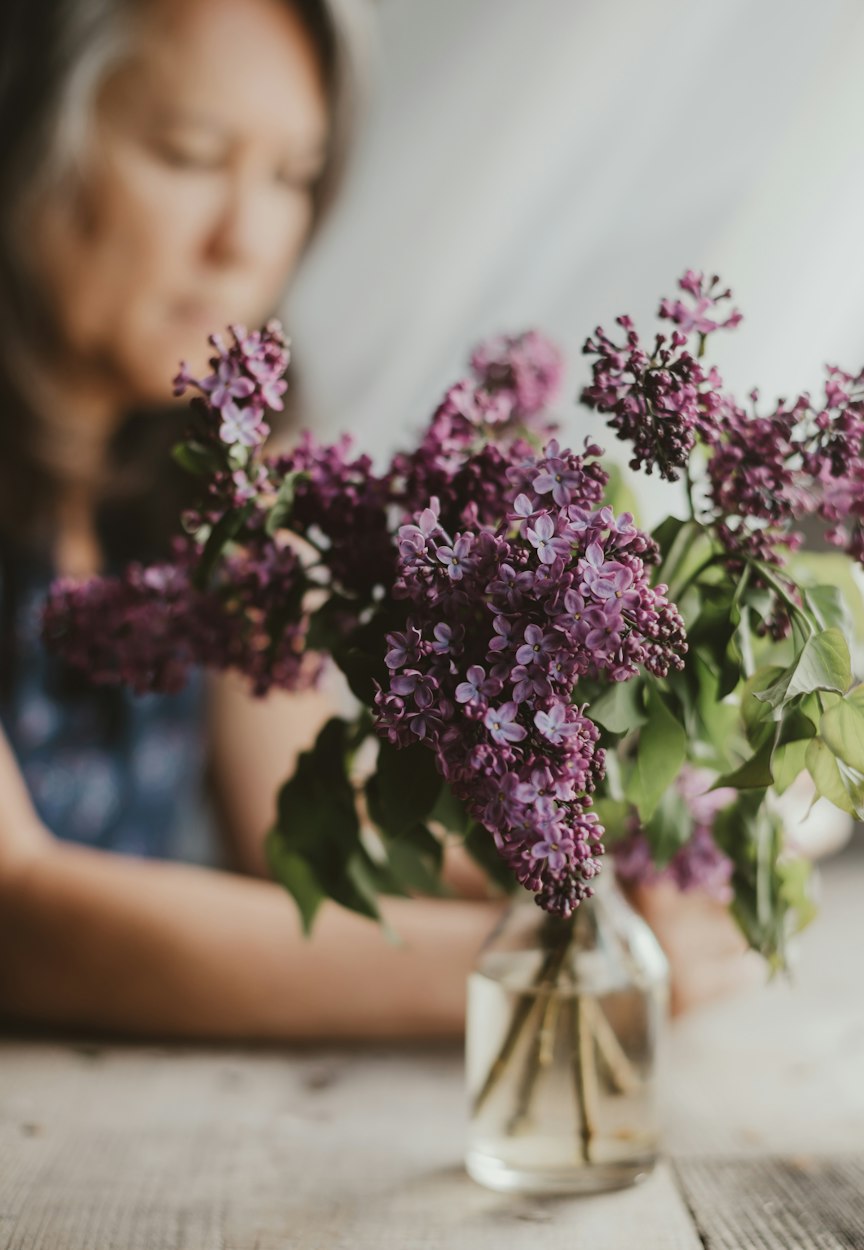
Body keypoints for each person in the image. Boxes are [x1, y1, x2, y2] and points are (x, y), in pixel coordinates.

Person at [0, 0, 761, 1042]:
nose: (247, 239)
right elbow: (18, 912)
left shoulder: (213, 468)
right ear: (26, 137)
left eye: (291, 177)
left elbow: (304, 830)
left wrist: (612, 876)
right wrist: (565, 965)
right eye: (188, 155)